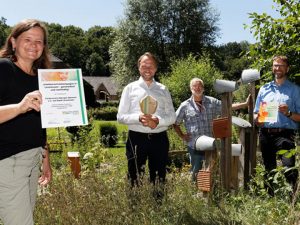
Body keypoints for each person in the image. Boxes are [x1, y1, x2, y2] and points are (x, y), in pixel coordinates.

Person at [0, 19, 52, 225]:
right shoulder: (4, 68)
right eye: (27, 39)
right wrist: (20, 107)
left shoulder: (42, 79)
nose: (34, 45)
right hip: (8, 161)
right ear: (13, 42)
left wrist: (45, 158)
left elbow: (40, 123)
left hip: (33, 159)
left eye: (39, 41)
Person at [117, 52, 176, 192]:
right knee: (135, 176)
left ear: (156, 69)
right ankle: (135, 207)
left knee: (159, 176)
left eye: (151, 66)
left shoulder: (163, 89)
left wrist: (158, 121)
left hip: (159, 139)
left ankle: (158, 208)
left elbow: (172, 116)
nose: (147, 69)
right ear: (139, 67)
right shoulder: (129, 89)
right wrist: (138, 118)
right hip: (136, 139)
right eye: (144, 66)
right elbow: (120, 116)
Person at [173, 78, 249, 181]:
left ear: (203, 88)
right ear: (191, 89)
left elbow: (227, 106)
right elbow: (175, 123)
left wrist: (244, 104)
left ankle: (211, 194)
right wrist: (182, 135)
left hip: (210, 143)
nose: (197, 88)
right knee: (196, 170)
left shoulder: (212, 101)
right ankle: (196, 193)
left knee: (211, 171)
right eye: (195, 86)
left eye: (200, 86)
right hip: (194, 144)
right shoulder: (185, 105)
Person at [254, 55, 300, 194]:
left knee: (289, 168)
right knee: (268, 169)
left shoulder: (295, 90)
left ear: (287, 68)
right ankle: (270, 200)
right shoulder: (264, 89)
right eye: (275, 65)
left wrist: (288, 113)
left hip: (286, 134)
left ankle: (293, 199)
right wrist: (257, 119)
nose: (277, 68)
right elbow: (256, 113)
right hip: (265, 134)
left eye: (280, 65)